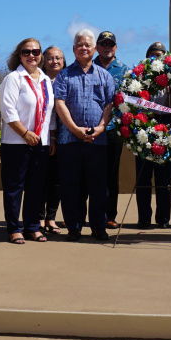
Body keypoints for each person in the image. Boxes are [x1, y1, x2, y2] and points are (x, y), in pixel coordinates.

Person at [53, 29, 116, 241]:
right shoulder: (64, 75)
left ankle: (99, 227)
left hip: (98, 141)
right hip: (69, 140)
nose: (84, 48)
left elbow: (109, 104)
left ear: (94, 48)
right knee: (72, 187)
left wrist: (100, 128)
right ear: (73, 49)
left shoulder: (105, 76)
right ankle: (74, 227)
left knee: (98, 188)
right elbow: (59, 102)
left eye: (87, 44)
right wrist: (74, 129)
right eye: (79, 44)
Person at [0, 37, 54, 243]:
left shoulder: (45, 79)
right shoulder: (14, 78)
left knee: (36, 187)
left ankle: (32, 226)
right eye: (26, 52)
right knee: (14, 188)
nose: (31, 56)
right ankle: (14, 228)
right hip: (16, 143)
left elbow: (49, 112)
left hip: (41, 142)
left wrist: (50, 137)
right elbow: (7, 111)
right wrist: (25, 133)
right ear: (19, 55)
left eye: (36, 52)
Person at [132, 41, 171, 229]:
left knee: (164, 179)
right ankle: (144, 218)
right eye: (153, 55)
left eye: (160, 55)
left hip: (167, 127)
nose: (156, 59)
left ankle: (163, 218)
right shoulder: (139, 79)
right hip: (144, 127)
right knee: (143, 178)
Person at [95, 30, 130, 229]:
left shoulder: (124, 70)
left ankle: (110, 215)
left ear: (115, 47)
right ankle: (87, 213)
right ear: (97, 47)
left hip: (114, 129)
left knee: (111, 174)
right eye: (103, 44)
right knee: (89, 173)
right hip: (92, 127)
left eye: (110, 44)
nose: (107, 47)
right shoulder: (88, 66)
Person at [41, 45, 67, 233]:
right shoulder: (39, 80)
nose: (54, 61)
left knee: (57, 180)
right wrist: (51, 136)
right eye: (50, 58)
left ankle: (51, 217)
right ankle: (39, 217)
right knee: (41, 179)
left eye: (58, 58)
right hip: (44, 137)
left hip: (65, 137)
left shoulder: (67, 79)